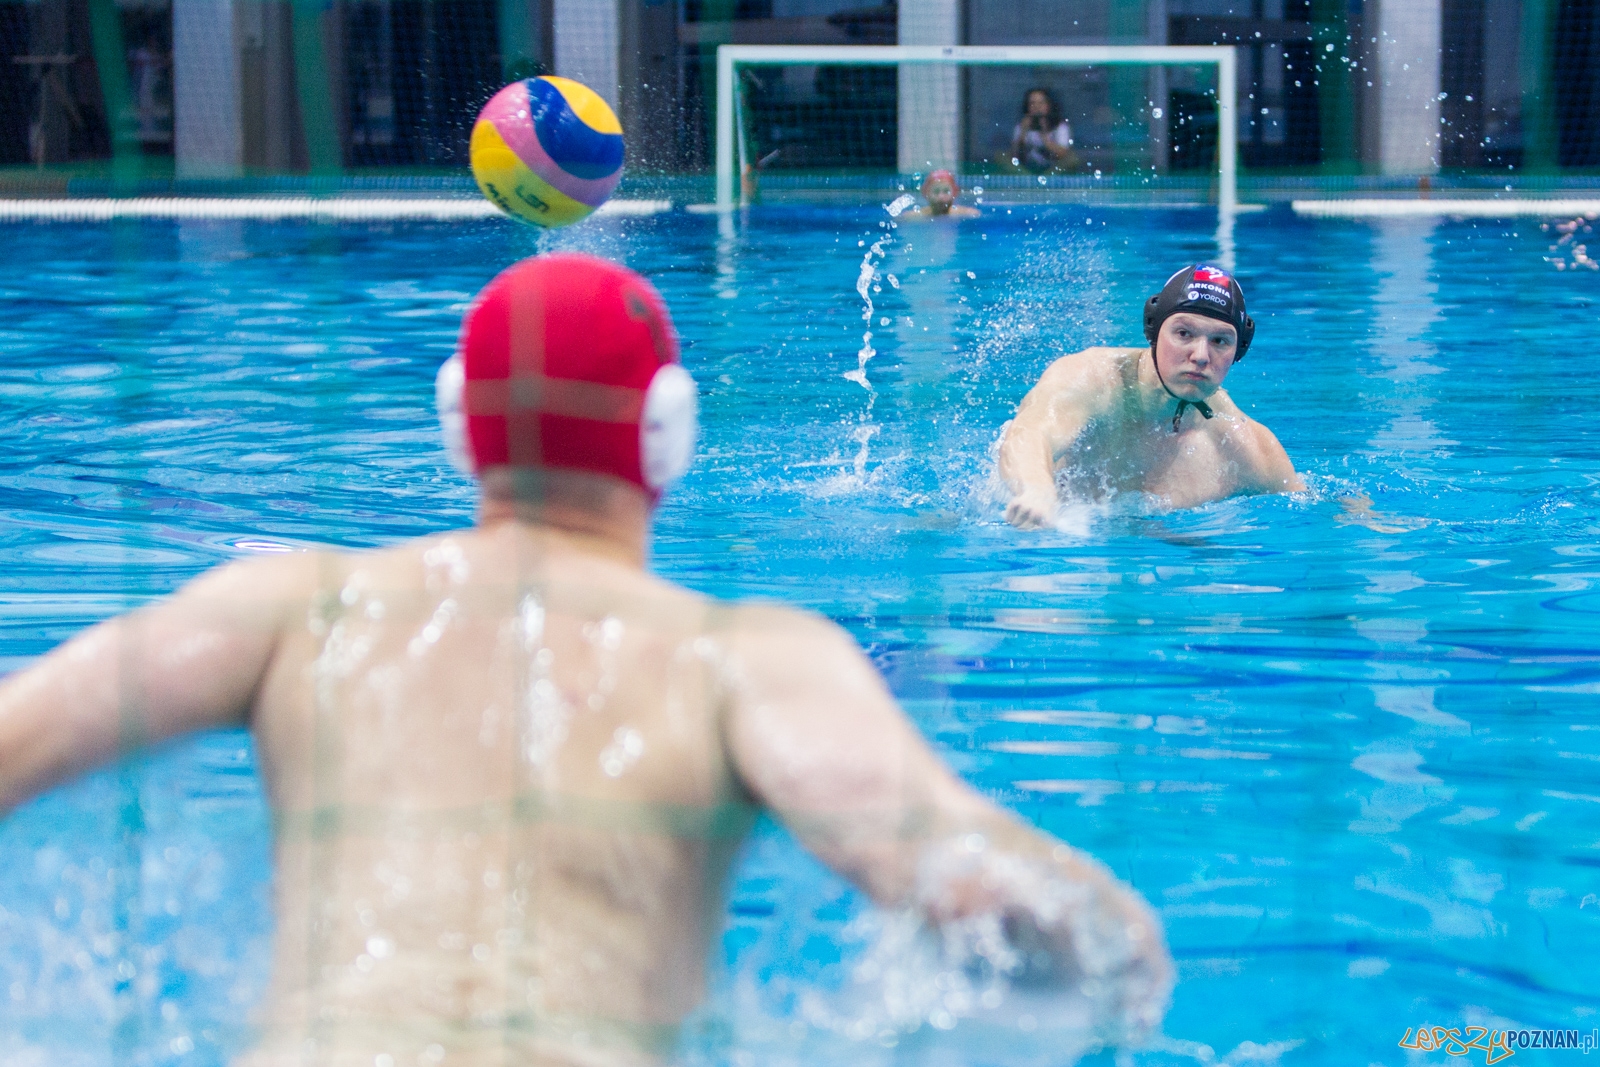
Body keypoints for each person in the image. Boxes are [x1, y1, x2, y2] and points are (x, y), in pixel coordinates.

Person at [0, 253, 1172, 1066]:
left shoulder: (292, 604)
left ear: (460, 422)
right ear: (669, 430)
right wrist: (1116, 937)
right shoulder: (742, 657)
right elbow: (971, 886)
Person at [1000, 264, 1303, 527]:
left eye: (1220, 341)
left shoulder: (1243, 443)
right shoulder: (1091, 379)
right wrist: (1037, 489)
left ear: (1239, 350)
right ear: (1154, 331)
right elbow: (1028, 433)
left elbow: (1307, 508)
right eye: (1184, 333)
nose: (1200, 356)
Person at [1009, 88, 1074, 174]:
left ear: (1049, 105)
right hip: (1026, 169)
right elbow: (1014, 155)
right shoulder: (1021, 126)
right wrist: (1023, 132)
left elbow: (1063, 154)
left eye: (1041, 103)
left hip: (1053, 169)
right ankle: (1027, 177)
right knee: (1000, 156)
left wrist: (1044, 136)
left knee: (1072, 159)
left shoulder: (1060, 127)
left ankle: (1048, 176)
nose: (1037, 107)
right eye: (1032, 103)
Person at [903, 168, 980, 219]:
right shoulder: (911, 217)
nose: (941, 196)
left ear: (955, 193)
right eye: (936, 192)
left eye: (946, 191)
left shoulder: (969, 214)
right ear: (926, 193)